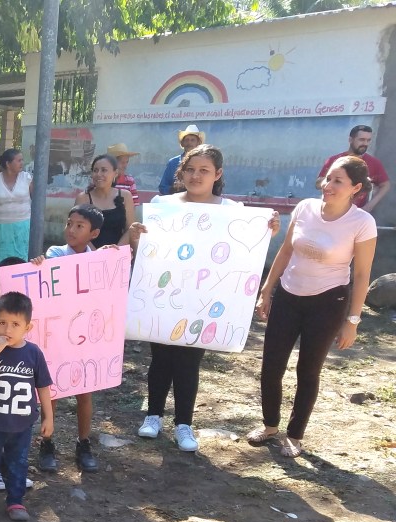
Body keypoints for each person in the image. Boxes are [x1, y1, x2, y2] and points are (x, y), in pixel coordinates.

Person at [129, 145, 280, 452]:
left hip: (204, 300)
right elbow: (148, 248)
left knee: (188, 361)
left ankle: (184, 424)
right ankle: (153, 416)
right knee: (160, 357)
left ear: (218, 174)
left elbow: (242, 248)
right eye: (190, 169)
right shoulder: (163, 205)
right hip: (166, 294)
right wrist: (136, 237)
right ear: (181, 173)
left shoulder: (232, 210)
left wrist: (267, 232)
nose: (196, 176)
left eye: (204, 170)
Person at [248, 156, 377, 458]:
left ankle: (295, 435)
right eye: (328, 178)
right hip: (288, 294)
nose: (328, 185)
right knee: (271, 365)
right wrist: (267, 289)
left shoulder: (362, 223)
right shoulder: (305, 207)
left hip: (328, 302)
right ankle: (270, 425)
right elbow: (286, 250)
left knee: (308, 370)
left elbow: (361, 275)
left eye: (338, 181)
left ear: (356, 188)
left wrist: (353, 321)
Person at [28, 204, 110, 472]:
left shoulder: (99, 260)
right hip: (56, 337)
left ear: (94, 233)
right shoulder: (55, 253)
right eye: (69, 223)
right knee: (50, 392)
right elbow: (54, 276)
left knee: (84, 393)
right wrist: (39, 267)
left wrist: (109, 260)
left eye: (79, 226)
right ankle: (47, 443)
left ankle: (83, 443)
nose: (71, 230)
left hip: (85, 338)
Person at [0, 292, 54, 522]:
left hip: (22, 423)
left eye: (15, 324)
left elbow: (43, 386)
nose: (8, 329)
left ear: (27, 327)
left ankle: (15, 500)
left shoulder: (33, 353)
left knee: (18, 463)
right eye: (3, 323)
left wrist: (48, 417)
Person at [315, 125, 390, 212]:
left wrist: (369, 206)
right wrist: (335, 180)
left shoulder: (374, 163)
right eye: (361, 139)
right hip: (332, 210)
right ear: (351, 140)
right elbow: (318, 183)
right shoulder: (335, 160)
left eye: (368, 140)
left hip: (356, 212)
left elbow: (385, 185)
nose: (365, 143)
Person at [76, 154, 136, 248]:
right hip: (89, 253)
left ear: (115, 173)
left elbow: (130, 230)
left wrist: (115, 251)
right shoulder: (83, 198)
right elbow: (77, 230)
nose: (98, 174)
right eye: (95, 170)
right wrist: (97, 254)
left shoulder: (126, 196)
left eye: (104, 170)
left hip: (118, 253)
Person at [0, 148, 33, 263]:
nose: (22, 163)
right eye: (19, 160)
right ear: (8, 163)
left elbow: (35, 199)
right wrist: (0, 214)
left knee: (21, 257)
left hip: (23, 225)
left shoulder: (26, 178)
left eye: (22, 160)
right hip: (1, 226)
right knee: (3, 258)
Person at [158, 124, 204, 195]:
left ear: (198, 143)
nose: (189, 143)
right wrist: (175, 190)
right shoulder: (173, 163)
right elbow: (163, 187)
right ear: (182, 143)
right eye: (186, 140)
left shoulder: (204, 162)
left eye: (192, 140)